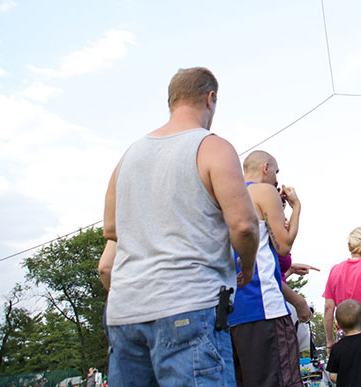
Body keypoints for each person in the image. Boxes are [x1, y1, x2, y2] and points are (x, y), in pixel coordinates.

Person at [103, 67, 259, 387]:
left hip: (124, 314)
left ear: (172, 101)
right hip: (188, 306)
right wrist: (248, 263)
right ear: (210, 98)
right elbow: (244, 225)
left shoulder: (128, 157)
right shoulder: (212, 147)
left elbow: (111, 230)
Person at [228, 150, 305, 387]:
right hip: (264, 310)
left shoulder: (225, 197)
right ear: (265, 168)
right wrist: (296, 207)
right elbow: (283, 245)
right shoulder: (263, 191)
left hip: (230, 315)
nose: (277, 180)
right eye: (276, 172)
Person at [324, 227, 361, 346]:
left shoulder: (335, 270)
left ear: (349, 246)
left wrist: (329, 340)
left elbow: (328, 307)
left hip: (344, 332)